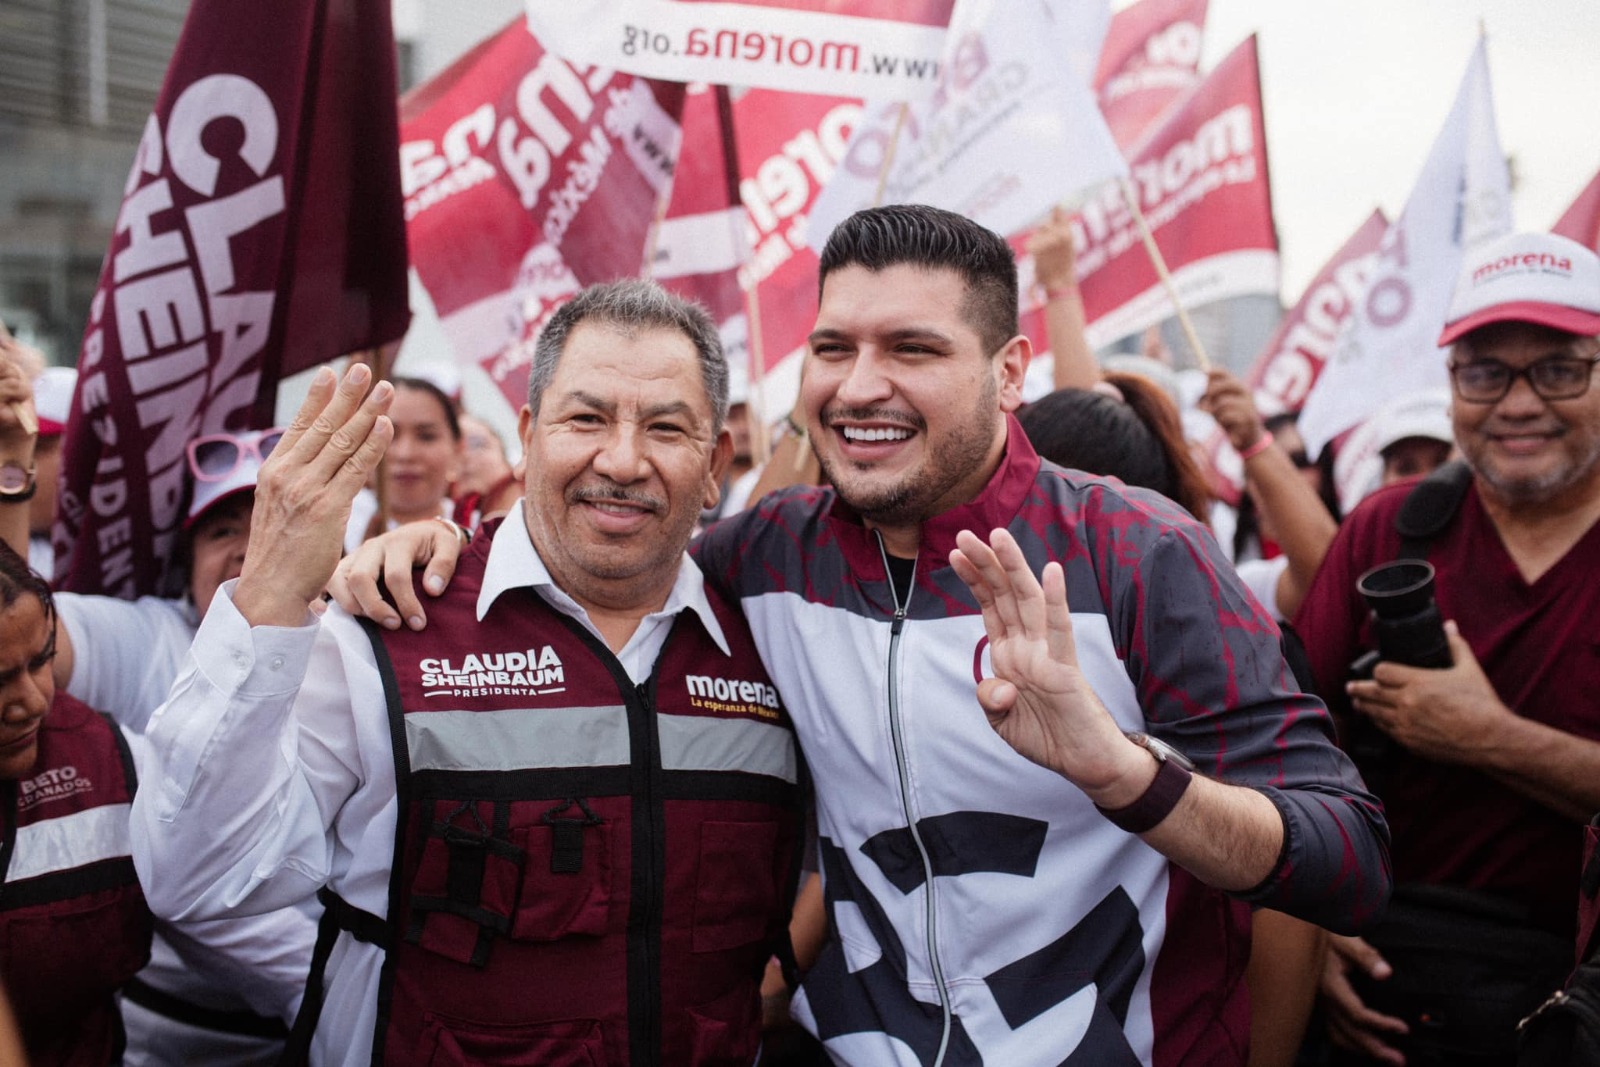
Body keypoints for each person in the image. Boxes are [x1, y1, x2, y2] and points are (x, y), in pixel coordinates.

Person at [341, 206, 1390, 1065]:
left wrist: (1122, 773)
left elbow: (1343, 858)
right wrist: (444, 548)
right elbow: (607, 532)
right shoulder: (762, 557)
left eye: (913, 348)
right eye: (833, 347)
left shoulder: (1139, 553)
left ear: (1010, 370)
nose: (858, 384)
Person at [130, 281, 803, 1065]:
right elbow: (193, 876)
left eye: (665, 427)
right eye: (585, 418)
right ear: (526, 435)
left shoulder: (768, 635)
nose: (621, 460)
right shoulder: (386, 622)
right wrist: (270, 593)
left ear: (716, 460)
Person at [1294, 231, 1600, 1066]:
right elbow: (1279, 757)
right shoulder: (1386, 532)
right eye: (1484, 371)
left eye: (1561, 369)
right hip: (1392, 999)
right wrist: (1310, 939)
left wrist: (1486, 735)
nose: (1520, 402)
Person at [0, 540, 154, 1066]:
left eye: (41, 660)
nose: (33, 700)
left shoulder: (104, 753)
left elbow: (233, 918)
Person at [346, 376, 464, 550]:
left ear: (457, 449)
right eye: (389, 434)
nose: (405, 454)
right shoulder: (335, 529)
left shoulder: (486, 534)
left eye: (426, 436)